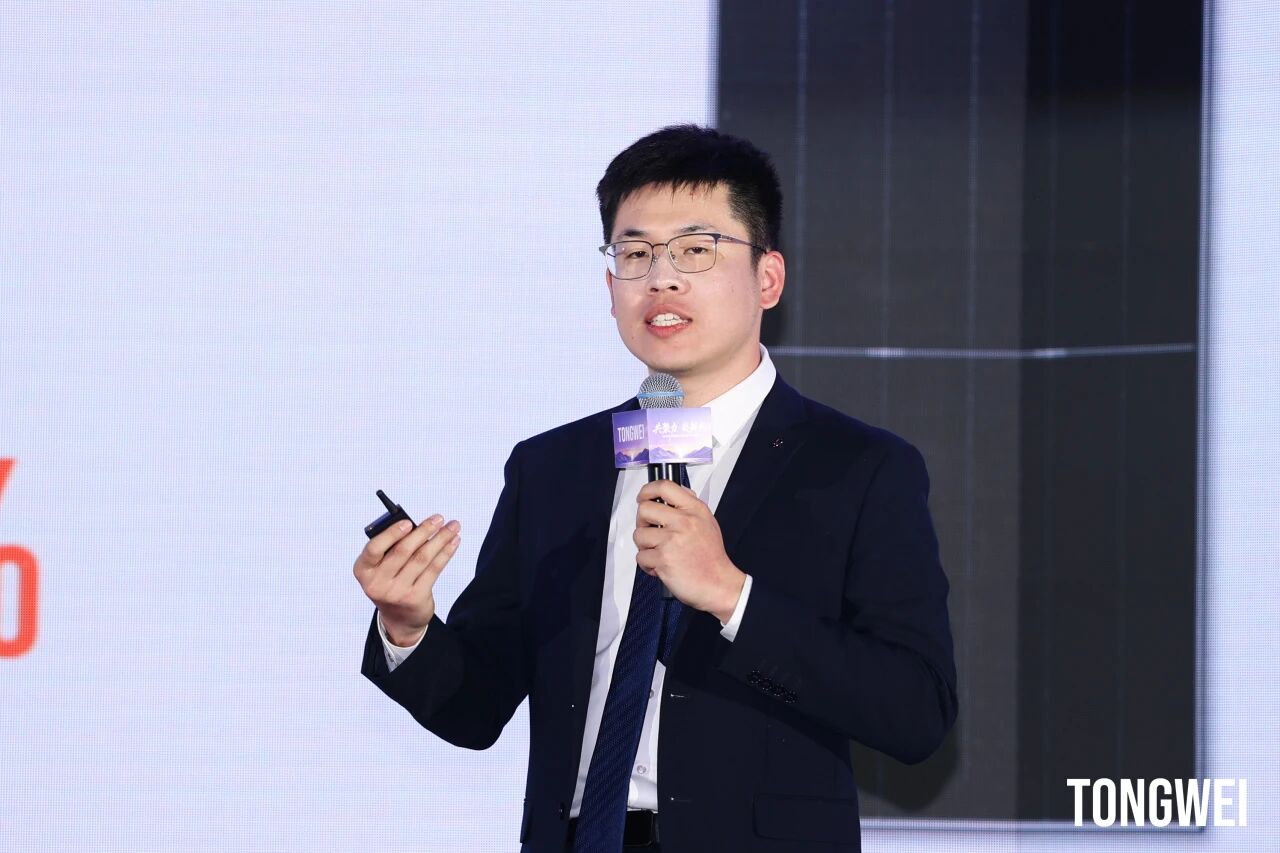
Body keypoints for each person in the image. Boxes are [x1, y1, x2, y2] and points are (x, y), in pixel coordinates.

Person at [353, 125, 957, 852]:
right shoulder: (552, 469)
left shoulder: (858, 468)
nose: (661, 279)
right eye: (635, 254)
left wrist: (732, 596)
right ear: (611, 288)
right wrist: (409, 627)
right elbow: (475, 708)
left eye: (696, 250)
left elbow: (915, 712)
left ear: (768, 278)